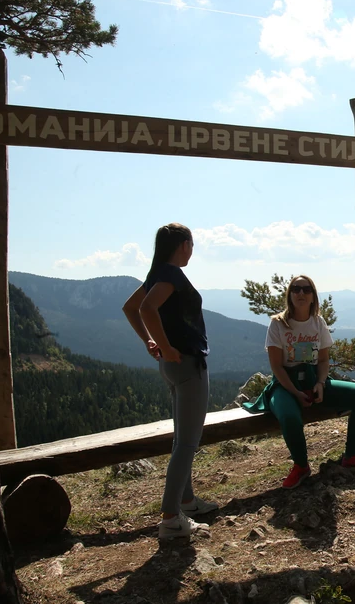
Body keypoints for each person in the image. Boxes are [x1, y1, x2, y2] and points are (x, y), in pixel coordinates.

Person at [122, 223, 217, 539]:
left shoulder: (157, 274)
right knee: (187, 443)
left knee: (181, 439)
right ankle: (171, 518)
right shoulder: (171, 275)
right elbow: (146, 308)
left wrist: (150, 342)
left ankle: (186, 501)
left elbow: (130, 308)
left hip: (171, 366)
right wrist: (163, 343)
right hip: (187, 363)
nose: (192, 251)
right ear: (184, 244)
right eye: (192, 244)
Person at [243, 275, 355, 489]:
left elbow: (323, 360)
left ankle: (351, 456)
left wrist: (321, 383)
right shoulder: (278, 324)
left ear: (313, 296)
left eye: (306, 289)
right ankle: (301, 465)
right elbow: (277, 366)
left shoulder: (318, 323)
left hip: (314, 381)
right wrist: (295, 393)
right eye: (296, 289)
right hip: (285, 385)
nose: (301, 293)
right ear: (289, 294)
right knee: (289, 416)